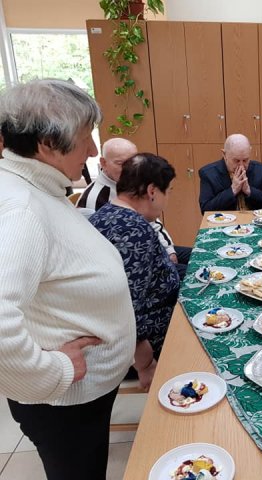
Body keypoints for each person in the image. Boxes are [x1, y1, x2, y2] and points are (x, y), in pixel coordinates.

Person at [0, 79, 136, 480]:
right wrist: (51, 372)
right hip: (63, 403)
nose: (94, 150)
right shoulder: (21, 208)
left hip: (81, 398)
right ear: (47, 144)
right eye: (84, 138)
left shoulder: (39, 189)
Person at [90, 153, 181, 379]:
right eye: (168, 192)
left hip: (139, 330)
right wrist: (145, 363)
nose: (167, 200)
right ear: (152, 192)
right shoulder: (133, 231)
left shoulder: (105, 214)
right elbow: (127, 306)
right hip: (150, 340)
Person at [78, 137, 192, 279]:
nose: (129, 170)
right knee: (196, 273)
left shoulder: (130, 186)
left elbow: (152, 222)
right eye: (121, 164)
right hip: (126, 260)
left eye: (133, 163)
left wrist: (169, 250)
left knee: (199, 257)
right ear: (103, 163)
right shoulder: (96, 199)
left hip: (146, 247)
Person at [199, 133, 262, 213]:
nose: (241, 166)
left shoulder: (260, 170)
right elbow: (205, 210)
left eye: (245, 160)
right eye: (236, 161)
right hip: (225, 223)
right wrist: (232, 190)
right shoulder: (208, 174)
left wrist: (249, 190)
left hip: (254, 222)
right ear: (224, 154)